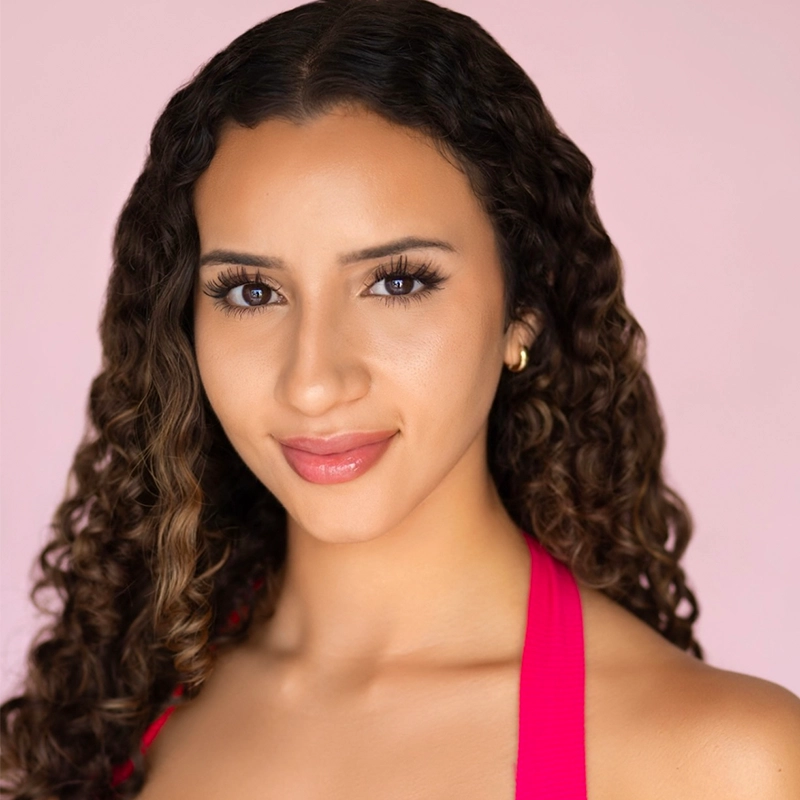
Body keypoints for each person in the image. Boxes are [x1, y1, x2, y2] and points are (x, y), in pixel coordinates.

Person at [2, 0, 799, 797]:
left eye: (397, 283)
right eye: (251, 291)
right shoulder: (110, 714)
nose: (313, 381)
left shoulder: (725, 763)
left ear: (524, 305)